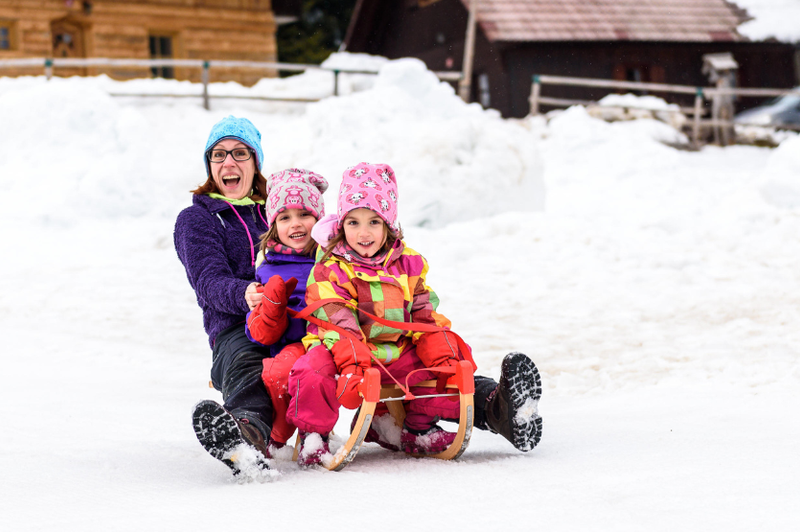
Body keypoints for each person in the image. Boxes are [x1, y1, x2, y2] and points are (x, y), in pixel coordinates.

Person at [286, 162, 544, 466]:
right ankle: (313, 437)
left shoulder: (407, 265)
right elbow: (338, 322)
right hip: (339, 349)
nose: (363, 232)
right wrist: (355, 364)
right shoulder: (330, 268)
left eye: (374, 222)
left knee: (442, 369)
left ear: (389, 225)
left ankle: (417, 428)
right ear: (341, 225)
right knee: (312, 372)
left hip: (392, 349)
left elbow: (422, 317)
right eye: (353, 222)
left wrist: (444, 356)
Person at [174, 115, 279, 474]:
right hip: (237, 327)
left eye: (239, 153)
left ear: (255, 163)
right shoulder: (198, 218)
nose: (228, 162)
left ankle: (438, 404)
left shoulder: (278, 212)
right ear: (210, 165)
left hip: (293, 319)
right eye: (218, 155)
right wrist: (245, 293)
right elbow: (207, 280)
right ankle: (244, 437)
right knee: (250, 370)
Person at [243, 168, 329, 460]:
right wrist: (272, 308)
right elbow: (259, 329)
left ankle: (316, 433)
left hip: (333, 338)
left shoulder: (335, 259)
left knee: (318, 372)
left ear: (319, 219)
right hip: (295, 342)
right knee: (279, 373)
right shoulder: (268, 270)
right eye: (284, 217)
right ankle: (281, 431)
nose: (296, 224)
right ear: (273, 226)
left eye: (304, 214)